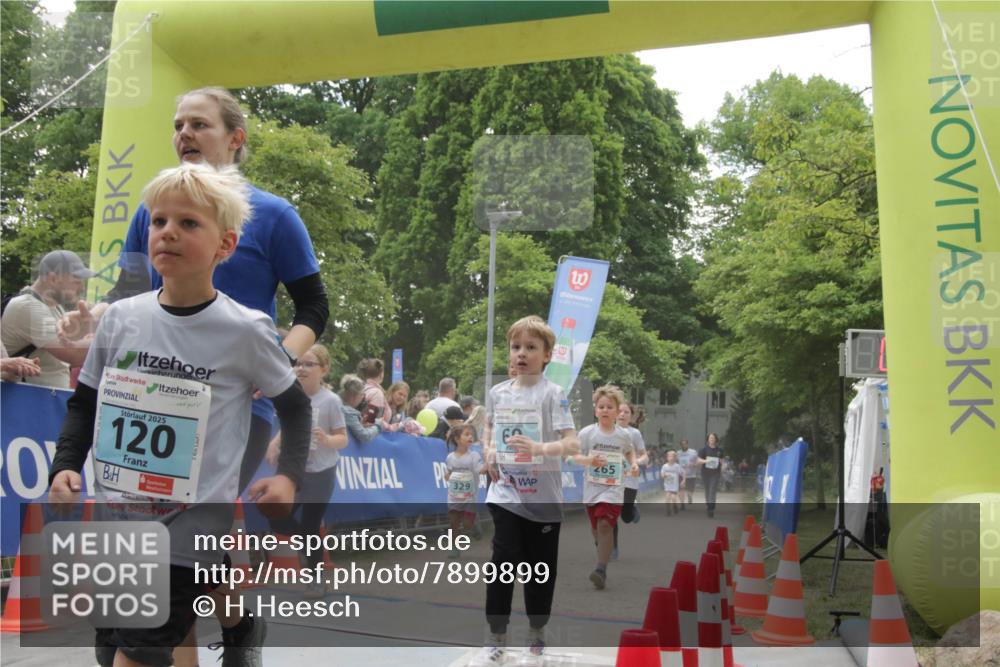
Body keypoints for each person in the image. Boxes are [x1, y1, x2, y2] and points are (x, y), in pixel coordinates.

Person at [57, 87, 328, 666]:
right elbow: (131, 296)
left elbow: (314, 308)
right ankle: (234, 619)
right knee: (174, 538)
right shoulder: (150, 212)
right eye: (178, 124)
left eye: (199, 124)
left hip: (238, 394)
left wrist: (274, 360)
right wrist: (97, 319)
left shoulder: (274, 215)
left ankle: (200, 631)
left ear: (235, 138)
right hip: (152, 394)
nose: (184, 134)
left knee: (186, 524)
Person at [472, 315, 579, 667]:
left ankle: (536, 634)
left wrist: (538, 449)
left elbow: (572, 442)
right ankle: (496, 638)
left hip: (544, 499)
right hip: (506, 493)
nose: (522, 354)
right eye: (516, 347)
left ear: (547, 355)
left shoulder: (554, 394)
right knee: (502, 565)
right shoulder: (498, 393)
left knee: (539, 571)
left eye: (531, 348)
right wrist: (488, 452)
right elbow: (489, 430)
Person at [265, 343, 347, 598]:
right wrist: (275, 443)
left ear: (324, 369)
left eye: (308, 364)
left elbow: (343, 438)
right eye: (298, 363)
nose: (301, 369)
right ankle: (307, 544)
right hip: (295, 468)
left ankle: (316, 578)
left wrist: (327, 440)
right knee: (275, 516)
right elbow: (289, 425)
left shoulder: (331, 401)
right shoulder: (292, 394)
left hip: (322, 471)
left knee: (311, 525)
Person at [573, 385, 636, 590]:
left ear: (618, 412)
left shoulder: (623, 435)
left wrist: (633, 464)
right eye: (601, 407)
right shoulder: (587, 434)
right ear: (595, 410)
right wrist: (589, 460)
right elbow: (573, 457)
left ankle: (600, 569)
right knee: (596, 529)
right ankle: (603, 553)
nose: (605, 410)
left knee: (605, 525)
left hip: (613, 490)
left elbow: (629, 452)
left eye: (610, 407)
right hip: (592, 490)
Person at [1, 250, 95, 388]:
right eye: (76, 281)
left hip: (43, 400)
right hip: (26, 402)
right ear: (53, 278)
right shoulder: (28, 307)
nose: (82, 287)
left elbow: (71, 354)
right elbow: (74, 355)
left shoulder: (55, 308)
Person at [444, 423, 486, 559]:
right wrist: (449, 477)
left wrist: (488, 466)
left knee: (467, 524)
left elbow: (480, 469)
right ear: (457, 439)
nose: (470, 437)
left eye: (471, 435)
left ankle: (473, 526)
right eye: (466, 434)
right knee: (453, 522)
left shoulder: (474, 456)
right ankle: (454, 547)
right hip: (454, 496)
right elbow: (448, 473)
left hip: (470, 497)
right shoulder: (450, 457)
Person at [613, 400, 648, 560]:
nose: (622, 414)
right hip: (611, 478)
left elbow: (644, 456)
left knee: (625, 517)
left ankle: (631, 509)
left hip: (629, 479)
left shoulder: (634, 433)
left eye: (626, 412)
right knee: (610, 514)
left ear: (631, 416)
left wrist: (636, 463)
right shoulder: (605, 430)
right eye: (619, 411)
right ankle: (612, 547)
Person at [340, 374, 381, 444]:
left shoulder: (338, 405)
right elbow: (364, 436)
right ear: (354, 396)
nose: (363, 398)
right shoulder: (349, 413)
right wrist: (378, 426)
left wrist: (361, 424)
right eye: (362, 394)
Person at [696, 432, 725, 518]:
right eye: (710, 438)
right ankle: (709, 504)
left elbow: (722, 461)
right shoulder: (703, 450)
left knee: (712, 490)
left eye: (713, 438)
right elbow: (698, 460)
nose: (712, 439)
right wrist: (706, 461)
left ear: (716, 439)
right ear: (708, 439)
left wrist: (722, 465)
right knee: (707, 490)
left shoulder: (720, 450)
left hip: (715, 473)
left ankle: (711, 508)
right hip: (705, 473)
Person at [357, 358, 390, 426]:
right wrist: (392, 427)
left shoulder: (361, 388)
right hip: (372, 435)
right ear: (381, 374)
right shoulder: (376, 393)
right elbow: (371, 422)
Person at [660, 451, 686, 516]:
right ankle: (668, 510)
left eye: (672, 456)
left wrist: (683, 480)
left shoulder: (677, 466)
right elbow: (662, 475)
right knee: (667, 497)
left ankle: (675, 506)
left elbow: (683, 473)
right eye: (669, 456)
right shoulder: (664, 466)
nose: (671, 458)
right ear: (667, 458)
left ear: (675, 458)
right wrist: (665, 475)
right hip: (667, 484)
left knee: (674, 498)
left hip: (674, 485)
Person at [677, 438, 698, 509]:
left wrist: (692, 465)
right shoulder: (678, 453)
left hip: (691, 474)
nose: (683, 445)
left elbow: (697, 462)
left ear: (687, 444)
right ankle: (682, 504)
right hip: (681, 475)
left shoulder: (693, 452)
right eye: (682, 444)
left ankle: (689, 496)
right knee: (681, 489)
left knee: (690, 491)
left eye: (685, 444)